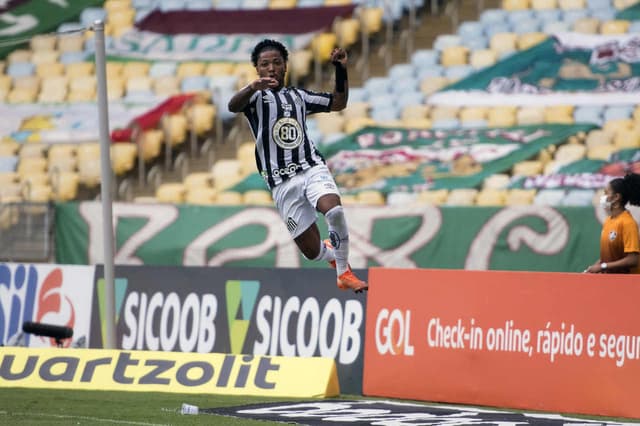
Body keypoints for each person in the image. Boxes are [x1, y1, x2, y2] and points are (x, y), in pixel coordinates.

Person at [227, 39, 367, 293]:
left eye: (277, 63)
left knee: (333, 211)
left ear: (285, 66)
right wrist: (251, 87)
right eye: (264, 64)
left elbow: (338, 102)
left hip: (310, 167)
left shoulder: (299, 96)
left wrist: (341, 69)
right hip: (281, 183)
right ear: (257, 69)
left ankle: (344, 271)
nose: (271, 68)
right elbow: (232, 106)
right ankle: (332, 255)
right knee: (313, 252)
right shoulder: (253, 99)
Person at [585, 173, 640, 274]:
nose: (603, 197)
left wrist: (603, 266)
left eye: (606, 193)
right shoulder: (609, 220)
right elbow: (610, 256)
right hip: (611, 281)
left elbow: (633, 259)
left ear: (616, 197)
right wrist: (595, 267)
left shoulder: (628, 223)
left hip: (628, 283)